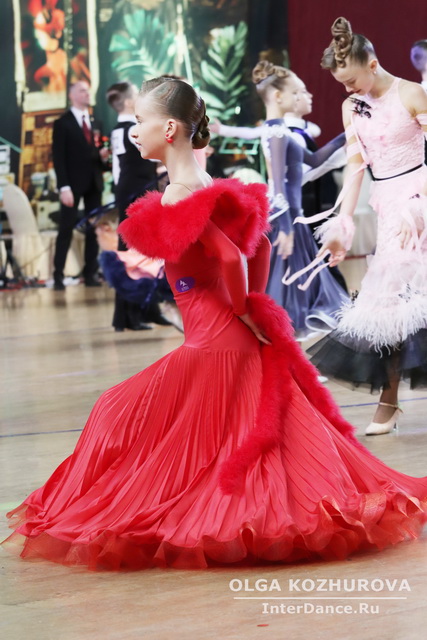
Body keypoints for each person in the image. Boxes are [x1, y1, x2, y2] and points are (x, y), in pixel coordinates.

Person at [3, 77, 427, 571]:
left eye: (140, 121)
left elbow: (229, 254)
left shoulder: (178, 191)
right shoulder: (202, 184)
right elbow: (258, 244)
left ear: (169, 128)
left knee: (120, 414)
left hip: (214, 340)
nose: (134, 132)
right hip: (224, 332)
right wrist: (249, 304)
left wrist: (244, 308)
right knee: (228, 438)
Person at [305, 17, 427, 435]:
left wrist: (419, 205)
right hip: (389, 208)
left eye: (351, 81)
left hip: (420, 198)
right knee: (389, 305)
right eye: (342, 84)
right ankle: (388, 401)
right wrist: (341, 223)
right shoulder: (350, 107)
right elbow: (356, 167)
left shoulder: (411, 93)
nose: (347, 90)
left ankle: (389, 402)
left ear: (372, 64)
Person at [252, 61, 348, 339]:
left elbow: (314, 159)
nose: (299, 98)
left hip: (293, 217)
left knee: (296, 289)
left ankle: (286, 354)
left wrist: (348, 133)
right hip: (287, 219)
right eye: (295, 93)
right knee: (287, 289)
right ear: (278, 96)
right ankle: (281, 354)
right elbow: (278, 185)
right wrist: (286, 228)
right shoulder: (276, 132)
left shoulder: (279, 131)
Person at [106, 81, 171, 331]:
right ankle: (131, 315)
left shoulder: (119, 129)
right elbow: (155, 154)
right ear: (128, 102)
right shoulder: (133, 129)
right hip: (136, 193)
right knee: (135, 253)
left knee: (141, 251)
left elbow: (120, 166)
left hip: (130, 190)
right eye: (136, 94)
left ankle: (147, 310)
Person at [52, 81, 108, 290]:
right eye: (82, 90)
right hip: (72, 184)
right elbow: (58, 158)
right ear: (72, 95)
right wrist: (63, 187)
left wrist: (103, 158)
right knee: (66, 229)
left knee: (93, 228)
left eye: (88, 90)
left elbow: (98, 154)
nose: (87, 94)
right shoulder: (62, 123)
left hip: (94, 181)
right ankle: (58, 274)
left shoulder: (95, 122)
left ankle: (90, 273)